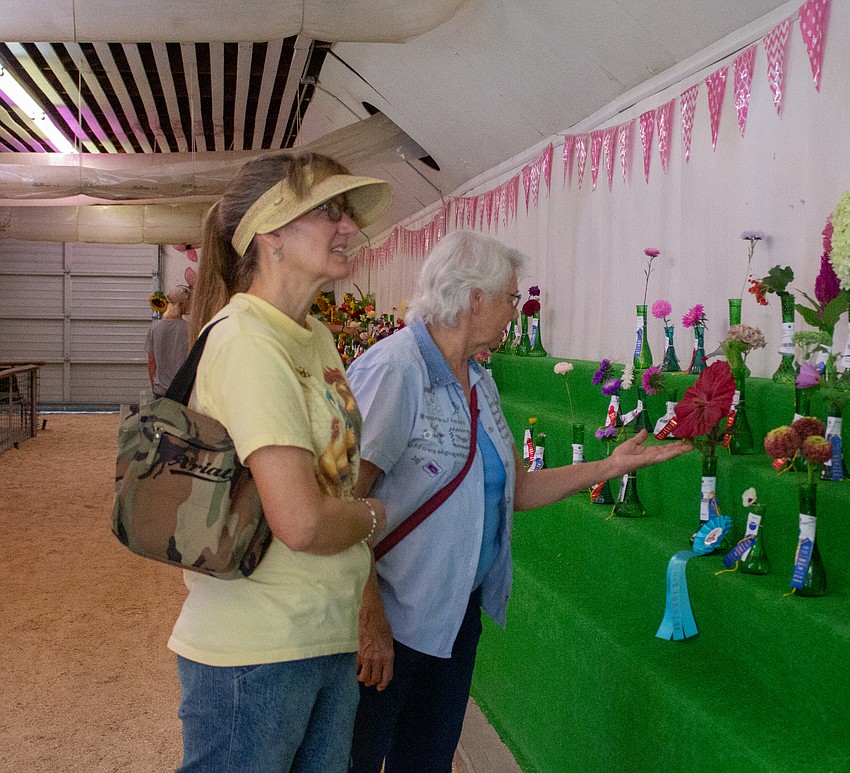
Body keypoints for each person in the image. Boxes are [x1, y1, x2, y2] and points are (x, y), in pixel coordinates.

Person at [346, 230, 690, 773]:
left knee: (425, 761)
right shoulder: (395, 370)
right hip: (390, 619)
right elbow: (345, 502)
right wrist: (369, 621)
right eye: (510, 297)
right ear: (474, 298)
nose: (515, 310)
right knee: (358, 760)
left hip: (454, 615)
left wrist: (611, 466)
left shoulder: (480, 379)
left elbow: (517, 488)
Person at [171, 151, 393, 772]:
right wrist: (375, 514)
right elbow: (302, 522)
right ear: (270, 234)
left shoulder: (313, 334)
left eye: (347, 213)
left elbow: (332, 487)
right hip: (254, 650)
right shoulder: (246, 340)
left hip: (322, 634)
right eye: (328, 212)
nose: (348, 227)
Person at [145, 285, 191, 397]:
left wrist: (154, 386)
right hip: (182, 391)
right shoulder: (190, 329)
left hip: (160, 390)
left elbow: (151, 362)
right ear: (182, 305)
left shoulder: (155, 328)